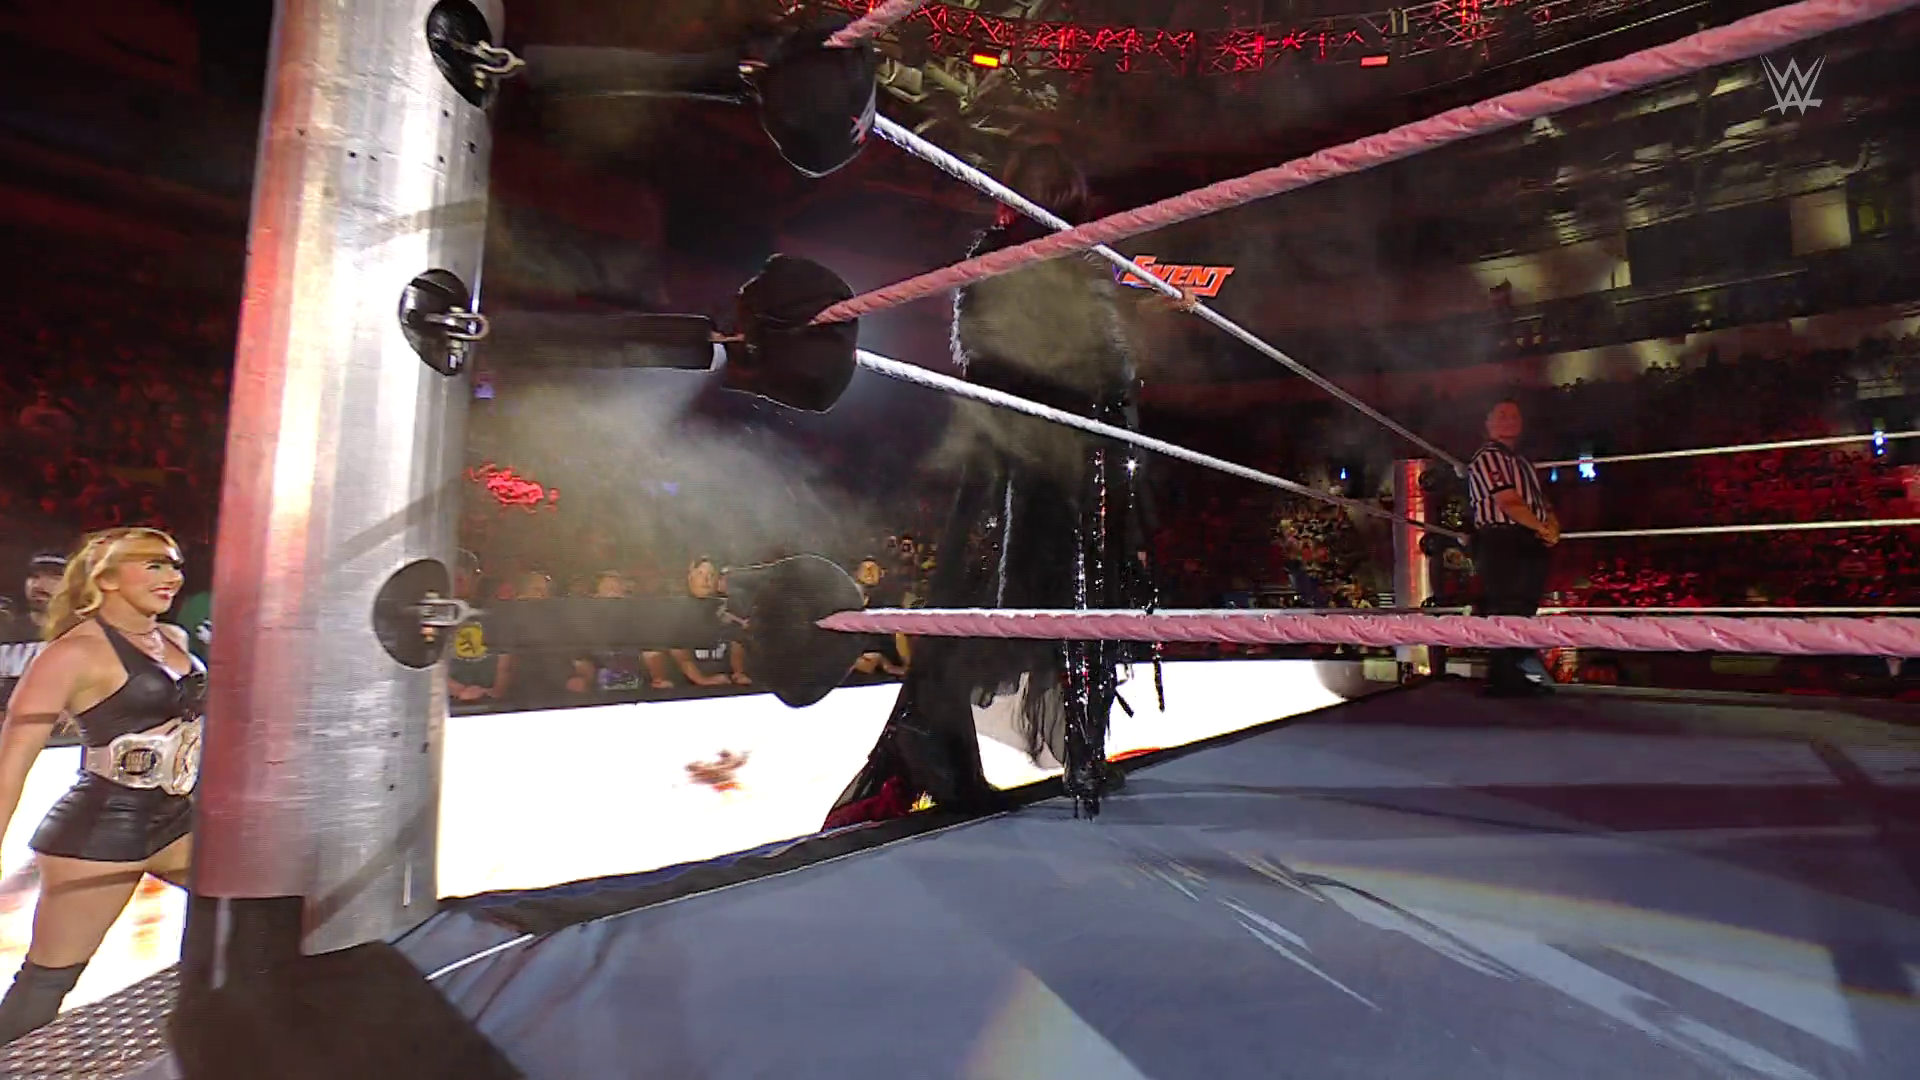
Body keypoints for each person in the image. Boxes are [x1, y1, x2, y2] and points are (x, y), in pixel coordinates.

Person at [826, 145, 1173, 825]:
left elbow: (1023, 356)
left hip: (1032, 445)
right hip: (1042, 448)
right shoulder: (1046, 256)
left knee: (1038, 596)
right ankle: (1018, 754)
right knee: (1044, 596)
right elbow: (1084, 366)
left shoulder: (1037, 257)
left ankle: (1018, 745)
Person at [0, 528, 200, 1042]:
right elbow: (12, 761)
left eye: (174, 565)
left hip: (179, 819)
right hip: (100, 833)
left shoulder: (174, 639)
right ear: (106, 578)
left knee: (245, 921)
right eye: (153, 565)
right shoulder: (71, 654)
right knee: (47, 982)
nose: (172, 577)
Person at [1466, 399, 1558, 697]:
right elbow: (1508, 502)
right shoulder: (1488, 457)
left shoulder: (1521, 462)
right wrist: (1542, 527)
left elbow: (1538, 500)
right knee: (1506, 605)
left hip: (1527, 538)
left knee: (1523, 606)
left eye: (1515, 415)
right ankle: (1501, 677)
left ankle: (1511, 674)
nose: (1509, 420)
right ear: (1487, 423)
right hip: (1502, 538)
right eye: (1502, 415)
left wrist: (1549, 524)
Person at [0, 554, 68, 714]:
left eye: (55, 577)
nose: (39, 584)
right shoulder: (5, 632)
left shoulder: (86, 633)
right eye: (34, 576)